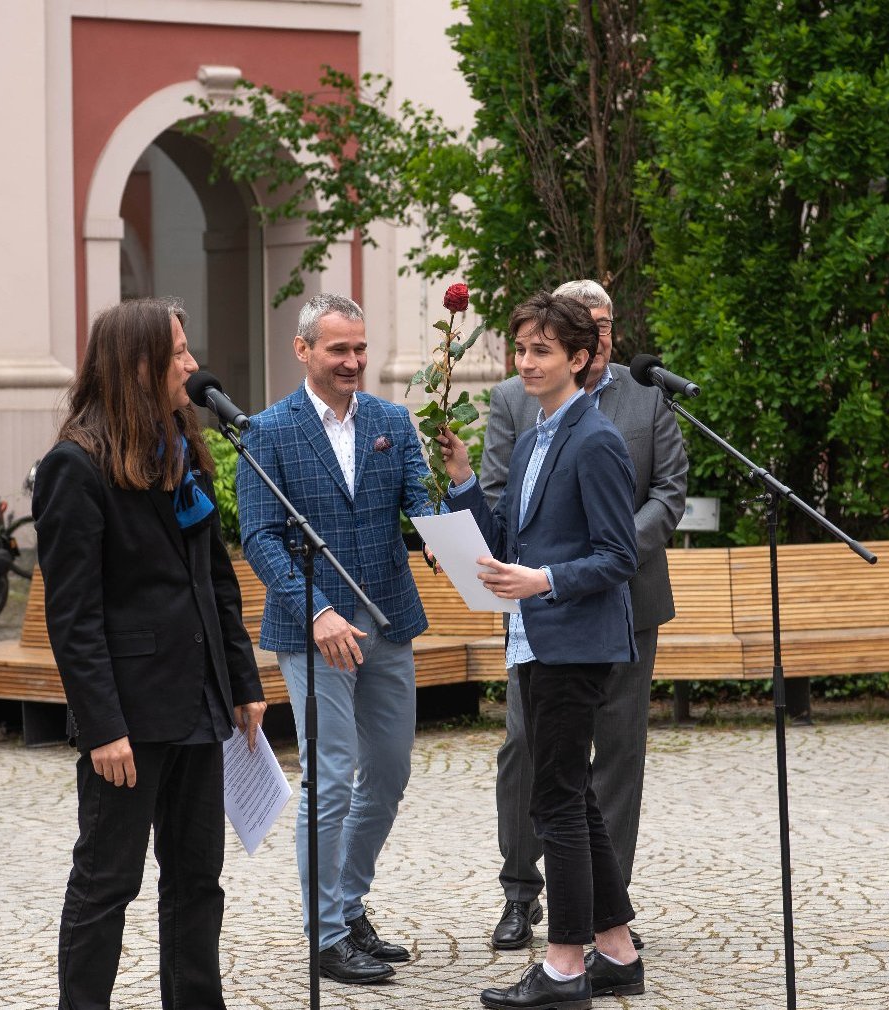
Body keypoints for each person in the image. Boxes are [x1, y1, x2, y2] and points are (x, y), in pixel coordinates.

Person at [33, 297, 268, 1010]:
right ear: (139, 364)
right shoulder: (75, 467)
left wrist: (241, 678)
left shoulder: (180, 445)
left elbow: (215, 578)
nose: (193, 365)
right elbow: (72, 616)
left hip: (199, 703)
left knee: (198, 879)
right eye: (179, 352)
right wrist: (101, 725)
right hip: (130, 717)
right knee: (108, 882)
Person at [436, 292, 646, 1008]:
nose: (525, 363)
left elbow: (620, 555)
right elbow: (506, 544)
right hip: (533, 639)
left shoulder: (596, 440)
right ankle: (616, 952)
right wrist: (464, 481)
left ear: (580, 359)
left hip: (575, 644)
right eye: (519, 349)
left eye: (541, 351)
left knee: (553, 799)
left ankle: (563, 967)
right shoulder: (532, 438)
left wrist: (544, 580)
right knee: (574, 797)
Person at [479, 279, 686, 952]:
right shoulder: (528, 414)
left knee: (603, 766)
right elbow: (507, 505)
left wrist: (608, 546)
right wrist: (458, 494)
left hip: (605, 607)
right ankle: (536, 899)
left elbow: (665, 492)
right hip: (541, 616)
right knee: (536, 762)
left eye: (602, 328)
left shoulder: (631, 406)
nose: (599, 339)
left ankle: (592, 932)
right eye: (521, 349)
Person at [236, 292, 436, 984]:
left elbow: (419, 498)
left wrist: (444, 537)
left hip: (388, 621)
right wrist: (316, 611)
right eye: (337, 350)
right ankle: (324, 935)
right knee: (332, 777)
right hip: (312, 630)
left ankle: (349, 907)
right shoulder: (267, 432)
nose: (353, 361)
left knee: (388, 772)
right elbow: (259, 538)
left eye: (359, 348)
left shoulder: (392, 421)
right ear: (303, 351)